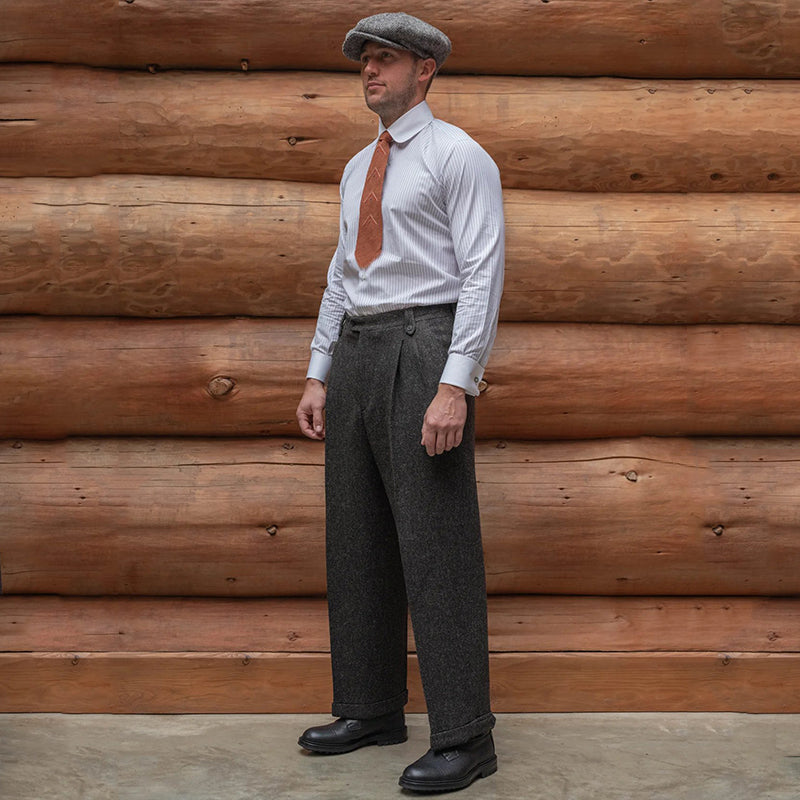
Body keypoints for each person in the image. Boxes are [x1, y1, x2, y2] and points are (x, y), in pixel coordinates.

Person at [295, 11, 504, 794]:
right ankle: (371, 708)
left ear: (425, 71)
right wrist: (319, 371)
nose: (370, 71)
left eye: (386, 59)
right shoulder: (358, 167)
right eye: (365, 60)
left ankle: (466, 736)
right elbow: (342, 273)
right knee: (357, 538)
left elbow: (482, 272)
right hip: (357, 348)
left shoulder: (459, 156)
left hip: (425, 346)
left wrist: (456, 383)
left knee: (436, 542)